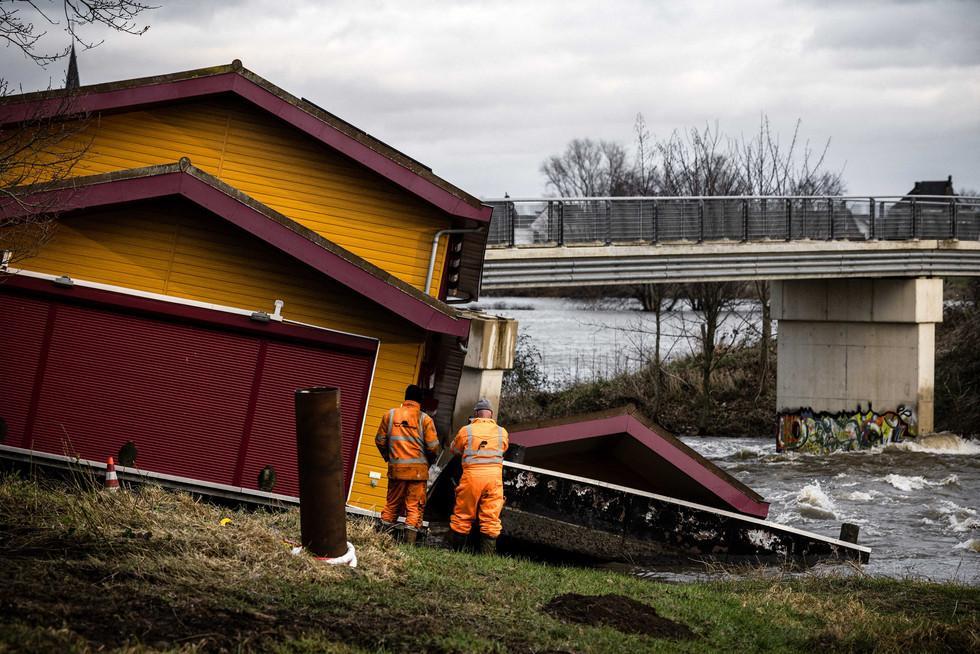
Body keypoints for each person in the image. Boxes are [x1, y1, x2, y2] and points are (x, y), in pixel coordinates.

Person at [375, 384, 441, 544]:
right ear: (420, 400)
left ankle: (380, 541)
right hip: (417, 473)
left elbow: (379, 441)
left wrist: (389, 457)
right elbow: (433, 447)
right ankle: (408, 546)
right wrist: (429, 461)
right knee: (413, 507)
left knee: (391, 506)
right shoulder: (424, 419)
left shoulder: (389, 415)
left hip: (396, 470)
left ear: (405, 398)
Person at [448, 398, 509, 554]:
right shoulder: (502, 432)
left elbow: (453, 449)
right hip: (494, 480)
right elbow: (504, 448)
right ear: (491, 415)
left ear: (475, 414)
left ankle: (457, 552)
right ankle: (487, 556)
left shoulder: (466, 430)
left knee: (463, 515)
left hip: (472, 477)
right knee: (491, 518)